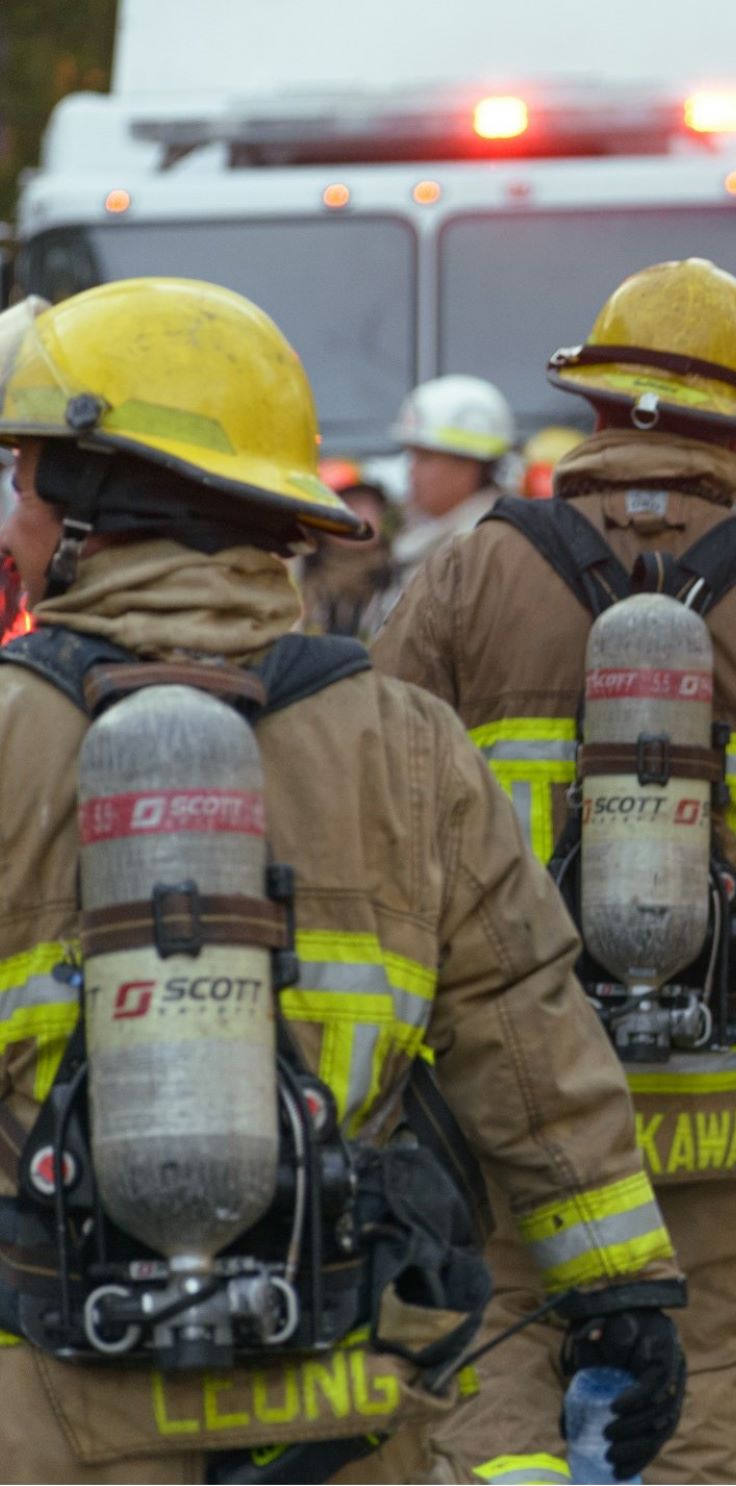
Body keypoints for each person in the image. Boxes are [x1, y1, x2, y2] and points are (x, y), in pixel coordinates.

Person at [0, 278, 684, 1482]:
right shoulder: (404, 741)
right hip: (332, 1383)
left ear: (93, 502)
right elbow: (524, 1030)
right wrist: (617, 1286)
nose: (12, 520)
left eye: (25, 479)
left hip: (49, 1388)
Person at [373, 258, 736, 1483]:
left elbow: (373, 812)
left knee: (496, 1385)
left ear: (591, 408)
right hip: (730, 1106)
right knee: (689, 1427)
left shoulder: (469, 574)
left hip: (512, 1097)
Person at [375, 374, 516, 626]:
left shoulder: (482, 549)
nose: (411, 470)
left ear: (470, 464)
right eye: (411, 456)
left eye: (425, 457)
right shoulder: (428, 536)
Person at [295, 467, 395, 639]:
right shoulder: (297, 574)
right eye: (351, 503)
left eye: (371, 505)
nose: (364, 514)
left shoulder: (402, 576)